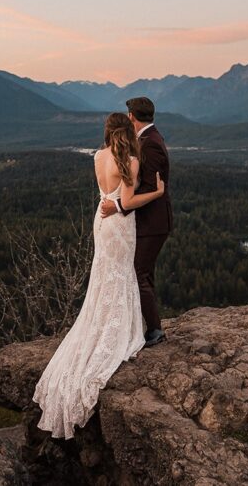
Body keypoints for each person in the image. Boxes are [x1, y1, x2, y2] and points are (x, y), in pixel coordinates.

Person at [32, 112, 165, 439]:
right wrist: (158, 193)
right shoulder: (131, 161)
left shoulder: (98, 156)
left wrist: (115, 203)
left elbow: (107, 195)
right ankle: (118, 329)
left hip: (101, 221)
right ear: (127, 132)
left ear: (107, 133)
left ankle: (101, 321)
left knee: (106, 275)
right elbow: (128, 201)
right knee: (120, 275)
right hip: (120, 222)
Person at [100, 96, 172, 347]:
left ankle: (154, 330)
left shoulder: (150, 144)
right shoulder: (150, 139)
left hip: (152, 223)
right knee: (144, 273)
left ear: (132, 117)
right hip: (150, 222)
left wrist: (118, 205)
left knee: (138, 273)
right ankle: (149, 326)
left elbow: (153, 187)